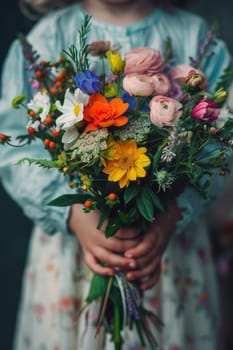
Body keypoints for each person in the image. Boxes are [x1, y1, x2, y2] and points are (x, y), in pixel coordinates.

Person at [0, 0, 232, 349]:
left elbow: (221, 141)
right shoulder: (47, 39)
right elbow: (15, 144)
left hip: (167, 254)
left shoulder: (195, 37)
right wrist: (71, 213)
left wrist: (173, 212)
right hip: (76, 252)